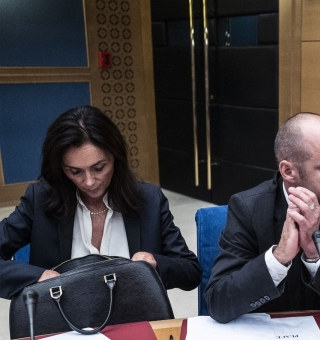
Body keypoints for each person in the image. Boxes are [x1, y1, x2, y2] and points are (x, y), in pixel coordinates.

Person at [0, 106, 201, 299]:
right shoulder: (40, 199)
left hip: (134, 318)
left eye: (99, 168)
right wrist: (37, 277)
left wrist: (155, 263)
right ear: (60, 167)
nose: (89, 182)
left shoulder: (149, 200)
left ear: (116, 157)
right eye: (75, 171)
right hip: (61, 322)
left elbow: (191, 271)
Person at [205, 113, 320, 323]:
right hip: (263, 336)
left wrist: (315, 252)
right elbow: (218, 304)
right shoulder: (248, 208)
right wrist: (278, 259)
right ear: (288, 171)